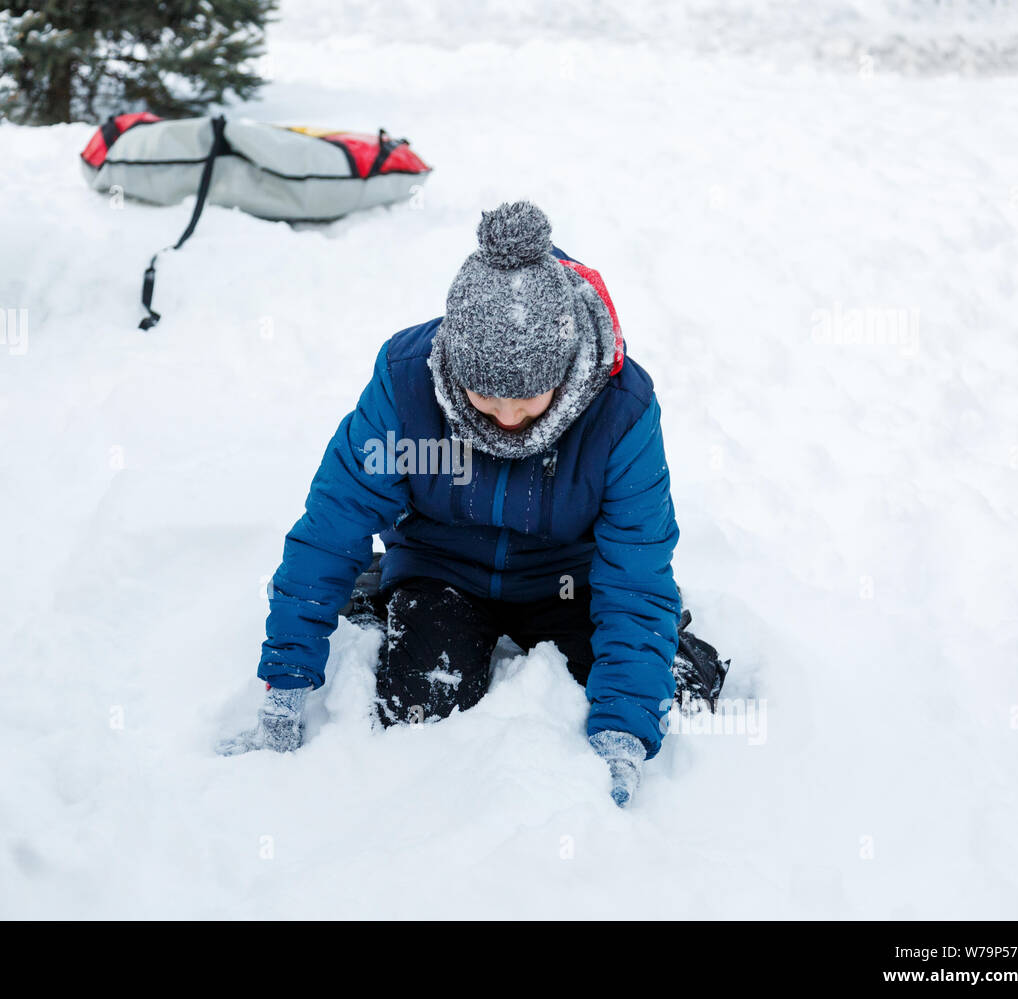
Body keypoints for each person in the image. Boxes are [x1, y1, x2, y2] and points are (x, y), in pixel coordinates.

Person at [218, 200, 685, 807]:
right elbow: (333, 527)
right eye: (487, 401)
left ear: (565, 371)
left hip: (568, 581)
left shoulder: (622, 411)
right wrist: (285, 684)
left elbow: (636, 576)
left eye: (530, 401)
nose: (510, 422)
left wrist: (622, 737)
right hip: (443, 570)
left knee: (635, 684)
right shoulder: (406, 383)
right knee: (418, 709)